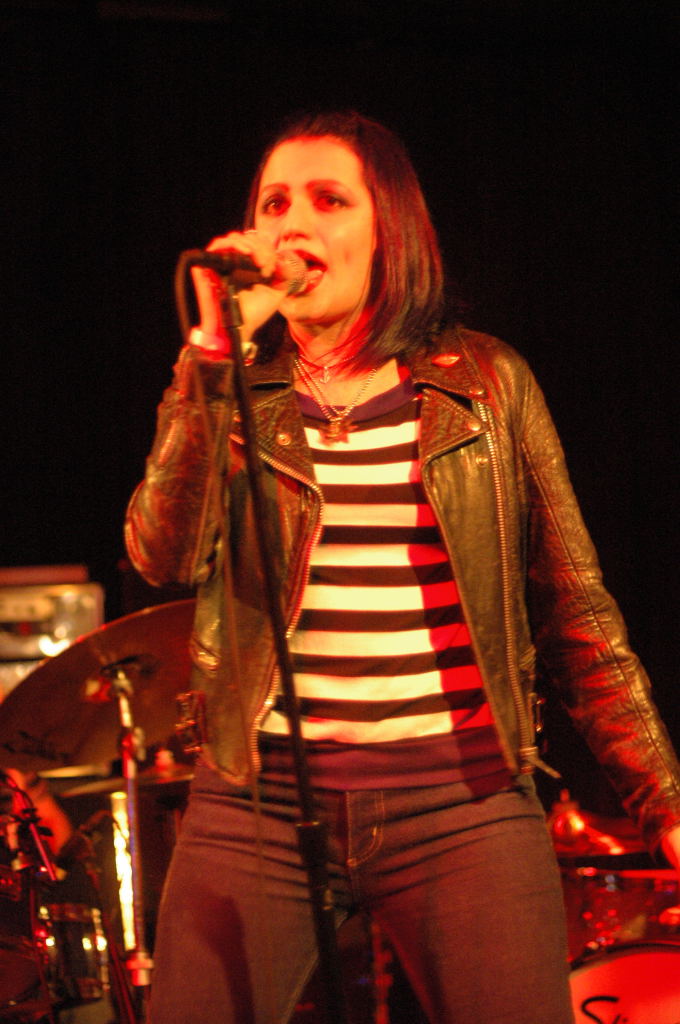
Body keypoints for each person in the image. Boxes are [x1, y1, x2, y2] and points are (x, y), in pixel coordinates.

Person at [125, 111, 680, 1024]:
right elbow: (162, 553)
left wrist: (662, 799)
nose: (292, 226)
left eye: (327, 200)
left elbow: (576, 608)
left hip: (462, 805)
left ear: (390, 231)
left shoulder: (487, 385)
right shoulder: (233, 389)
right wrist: (211, 358)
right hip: (257, 806)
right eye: (274, 205)